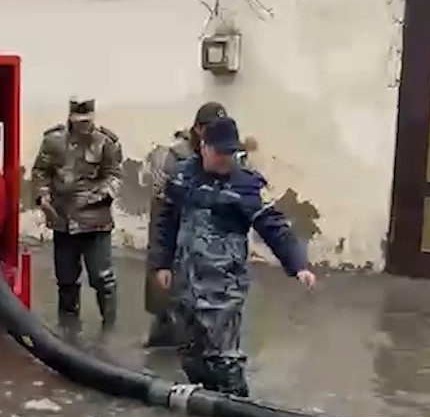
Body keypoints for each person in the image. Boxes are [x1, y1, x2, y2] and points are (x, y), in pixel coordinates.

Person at [149, 116, 316, 397]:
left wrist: (298, 265)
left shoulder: (246, 185)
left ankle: (239, 407)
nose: (225, 159)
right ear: (204, 147)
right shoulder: (181, 177)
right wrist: (161, 263)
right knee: (191, 355)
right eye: (220, 152)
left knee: (225, 360)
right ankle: (206, 405)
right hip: (186, 282)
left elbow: (273, 225)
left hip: (224, 287)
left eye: (230, 152)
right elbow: (166, 221)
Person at [144, 102, 258, 348]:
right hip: (180, 247)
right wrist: (159, 262)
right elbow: (162, 214)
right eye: (208, 127)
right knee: (168, 311)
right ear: (197, 129)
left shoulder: (231, 156)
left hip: (216, 258)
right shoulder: (174, 158)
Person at [31, 97, 123, 329]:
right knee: (66, 278)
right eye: (79, 121)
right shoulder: (53, 141)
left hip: (95, 221)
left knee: (102, 277)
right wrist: (43, 198)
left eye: (87, 121)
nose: (84, 125)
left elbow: (114, 176)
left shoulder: (106, 142)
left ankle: (109, 326)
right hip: (62, 219)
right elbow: (41, 171)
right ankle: (68, 327)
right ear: (71, 118)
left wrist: (95, 196)